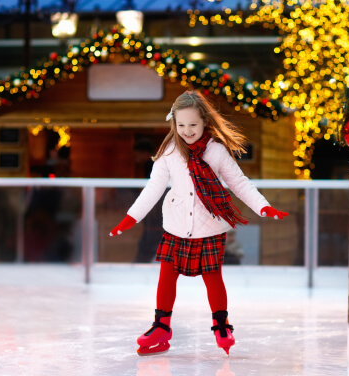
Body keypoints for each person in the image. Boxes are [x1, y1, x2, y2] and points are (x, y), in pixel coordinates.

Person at [109, 90, 288, 356]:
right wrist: (131, 217)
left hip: (210, 226)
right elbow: (152, 189)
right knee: (166, 274)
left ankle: (221, 325)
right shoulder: (169, 151)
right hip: (177, 226)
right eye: (181, 125)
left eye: (193, 124)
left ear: (204, 121)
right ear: (174, 123)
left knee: (213, 276)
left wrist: (263, 206)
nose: (187, 131)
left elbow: (239, 183)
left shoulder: (216, 152)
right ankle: (161, 326)